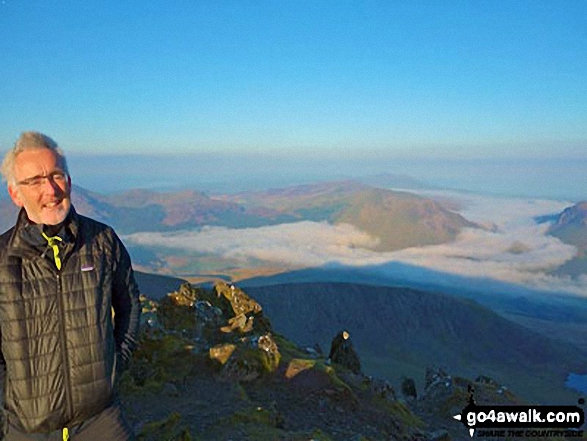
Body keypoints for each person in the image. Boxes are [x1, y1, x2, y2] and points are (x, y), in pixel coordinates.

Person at [0, 132, 141, 440]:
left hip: (101, 420)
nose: (50, 189)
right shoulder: (2, 260)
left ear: (69, 180)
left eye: (56, 175)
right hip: (28, 429)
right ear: (15, 193)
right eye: (35, 180)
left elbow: (129, 304)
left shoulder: (103, 241)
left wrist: (116, 364)